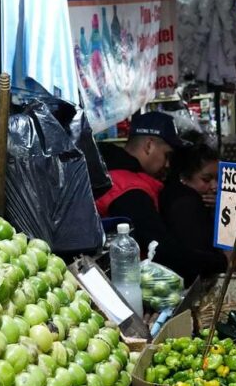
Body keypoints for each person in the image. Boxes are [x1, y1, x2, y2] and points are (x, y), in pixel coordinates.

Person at [96, 112, 228, 283]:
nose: (167, 165)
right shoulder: (129, 188)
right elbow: (163, 251)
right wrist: (221, 262)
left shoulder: (114, 174)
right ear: (149, 145)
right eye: (167, 155)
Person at [159, 143, 232, 284]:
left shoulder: (186, 197)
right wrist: (223, 260)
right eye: (206, 179)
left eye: (218, 179)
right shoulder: (186, 204)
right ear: (184, 178)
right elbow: (194, 258)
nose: (215, 186)